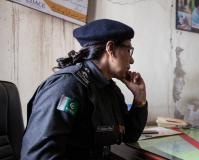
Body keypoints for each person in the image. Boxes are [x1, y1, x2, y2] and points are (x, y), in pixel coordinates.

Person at [20, 19, 148, 159]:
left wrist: (139, 98)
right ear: (110, 48)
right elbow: (38, 157)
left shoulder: (109, 88)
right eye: (129, 50)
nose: (131, 60)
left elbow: (129, 135)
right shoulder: (68, 87)